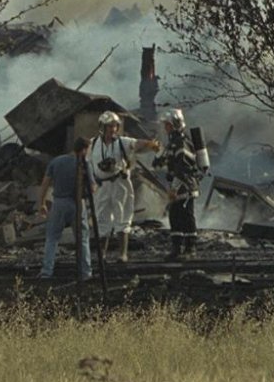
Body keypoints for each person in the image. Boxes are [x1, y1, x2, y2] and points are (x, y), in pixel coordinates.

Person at [88, 111, 160, 262]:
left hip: (119, 183)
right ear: (102, 127)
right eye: (109, 127)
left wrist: (149, 144)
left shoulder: (122, 142)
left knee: (122, 216)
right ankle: (102, 254)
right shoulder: (93, 144)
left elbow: (136, 144)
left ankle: (123, 254)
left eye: (115, 126)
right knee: (102, 218)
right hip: (101, 185)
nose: (112, 130)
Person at [36, 138, 96, 280]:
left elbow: (44, 184)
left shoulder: (56, 162)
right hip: (77, 203)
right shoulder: (85, 164)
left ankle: (46, 271)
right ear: (83, 150)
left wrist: (42, 203)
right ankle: (85, 272)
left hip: (59, 203)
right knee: (82, 239)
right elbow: (92, 188)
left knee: (52, 238)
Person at [152, 109, 202, 261]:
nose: (165, 128)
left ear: (175, 124)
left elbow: (183, 168)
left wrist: (174, 188)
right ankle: (176, 248)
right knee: (175, 216)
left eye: (167, 125)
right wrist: (158, 151)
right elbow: (157, 164)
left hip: (185, 187)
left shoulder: (182, 142)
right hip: (176, 186)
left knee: (186, 217)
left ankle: (190, 249)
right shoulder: (172, 142)